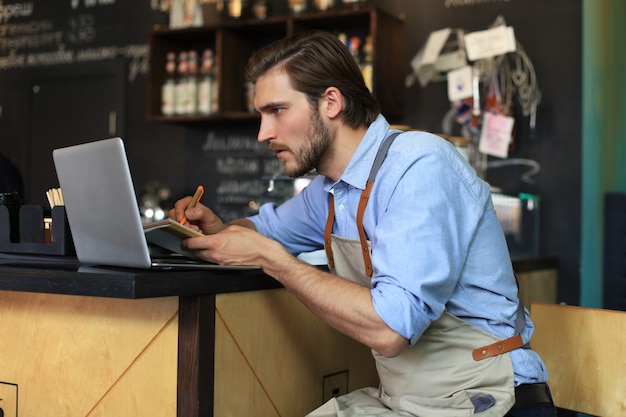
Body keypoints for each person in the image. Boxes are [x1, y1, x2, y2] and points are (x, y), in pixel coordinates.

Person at [170, 30, 556, 417]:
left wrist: (273, 259)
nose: (263, 133)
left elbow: (391, 330)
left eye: (277, 110)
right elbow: (262, 231)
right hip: (409, 401)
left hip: (490, 397)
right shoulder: (331, 191)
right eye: (261, 114)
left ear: (331, 102)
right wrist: (217, 230)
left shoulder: (418, 166)